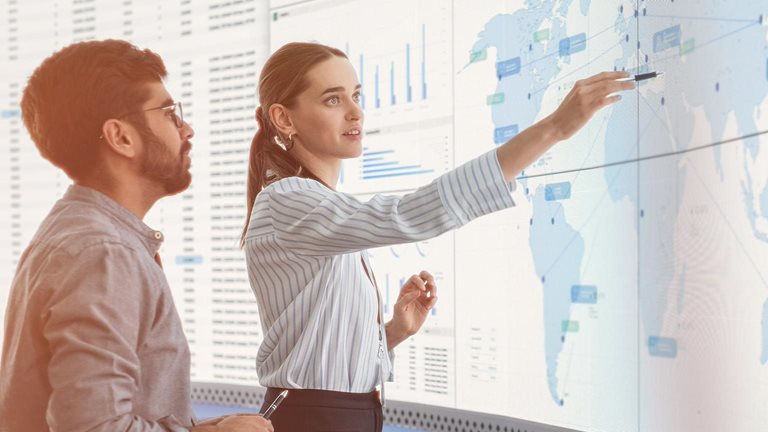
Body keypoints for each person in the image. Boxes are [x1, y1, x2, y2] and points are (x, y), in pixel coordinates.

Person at [241, 42, 634, 431]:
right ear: (284, 119)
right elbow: (410, 214)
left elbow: (314, 343)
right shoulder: (288, 200)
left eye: (356, 95)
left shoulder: (318, 206)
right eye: (332, 99)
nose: (355, 111)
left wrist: (392, 332)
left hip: (343, 414)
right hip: (314, 417)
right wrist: (553, 128)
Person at [0, 40, 272, 432]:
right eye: (169, 114)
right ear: (121, 137)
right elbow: (93, 427)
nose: (187, 128)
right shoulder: (101, 253)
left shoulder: (78, 234)